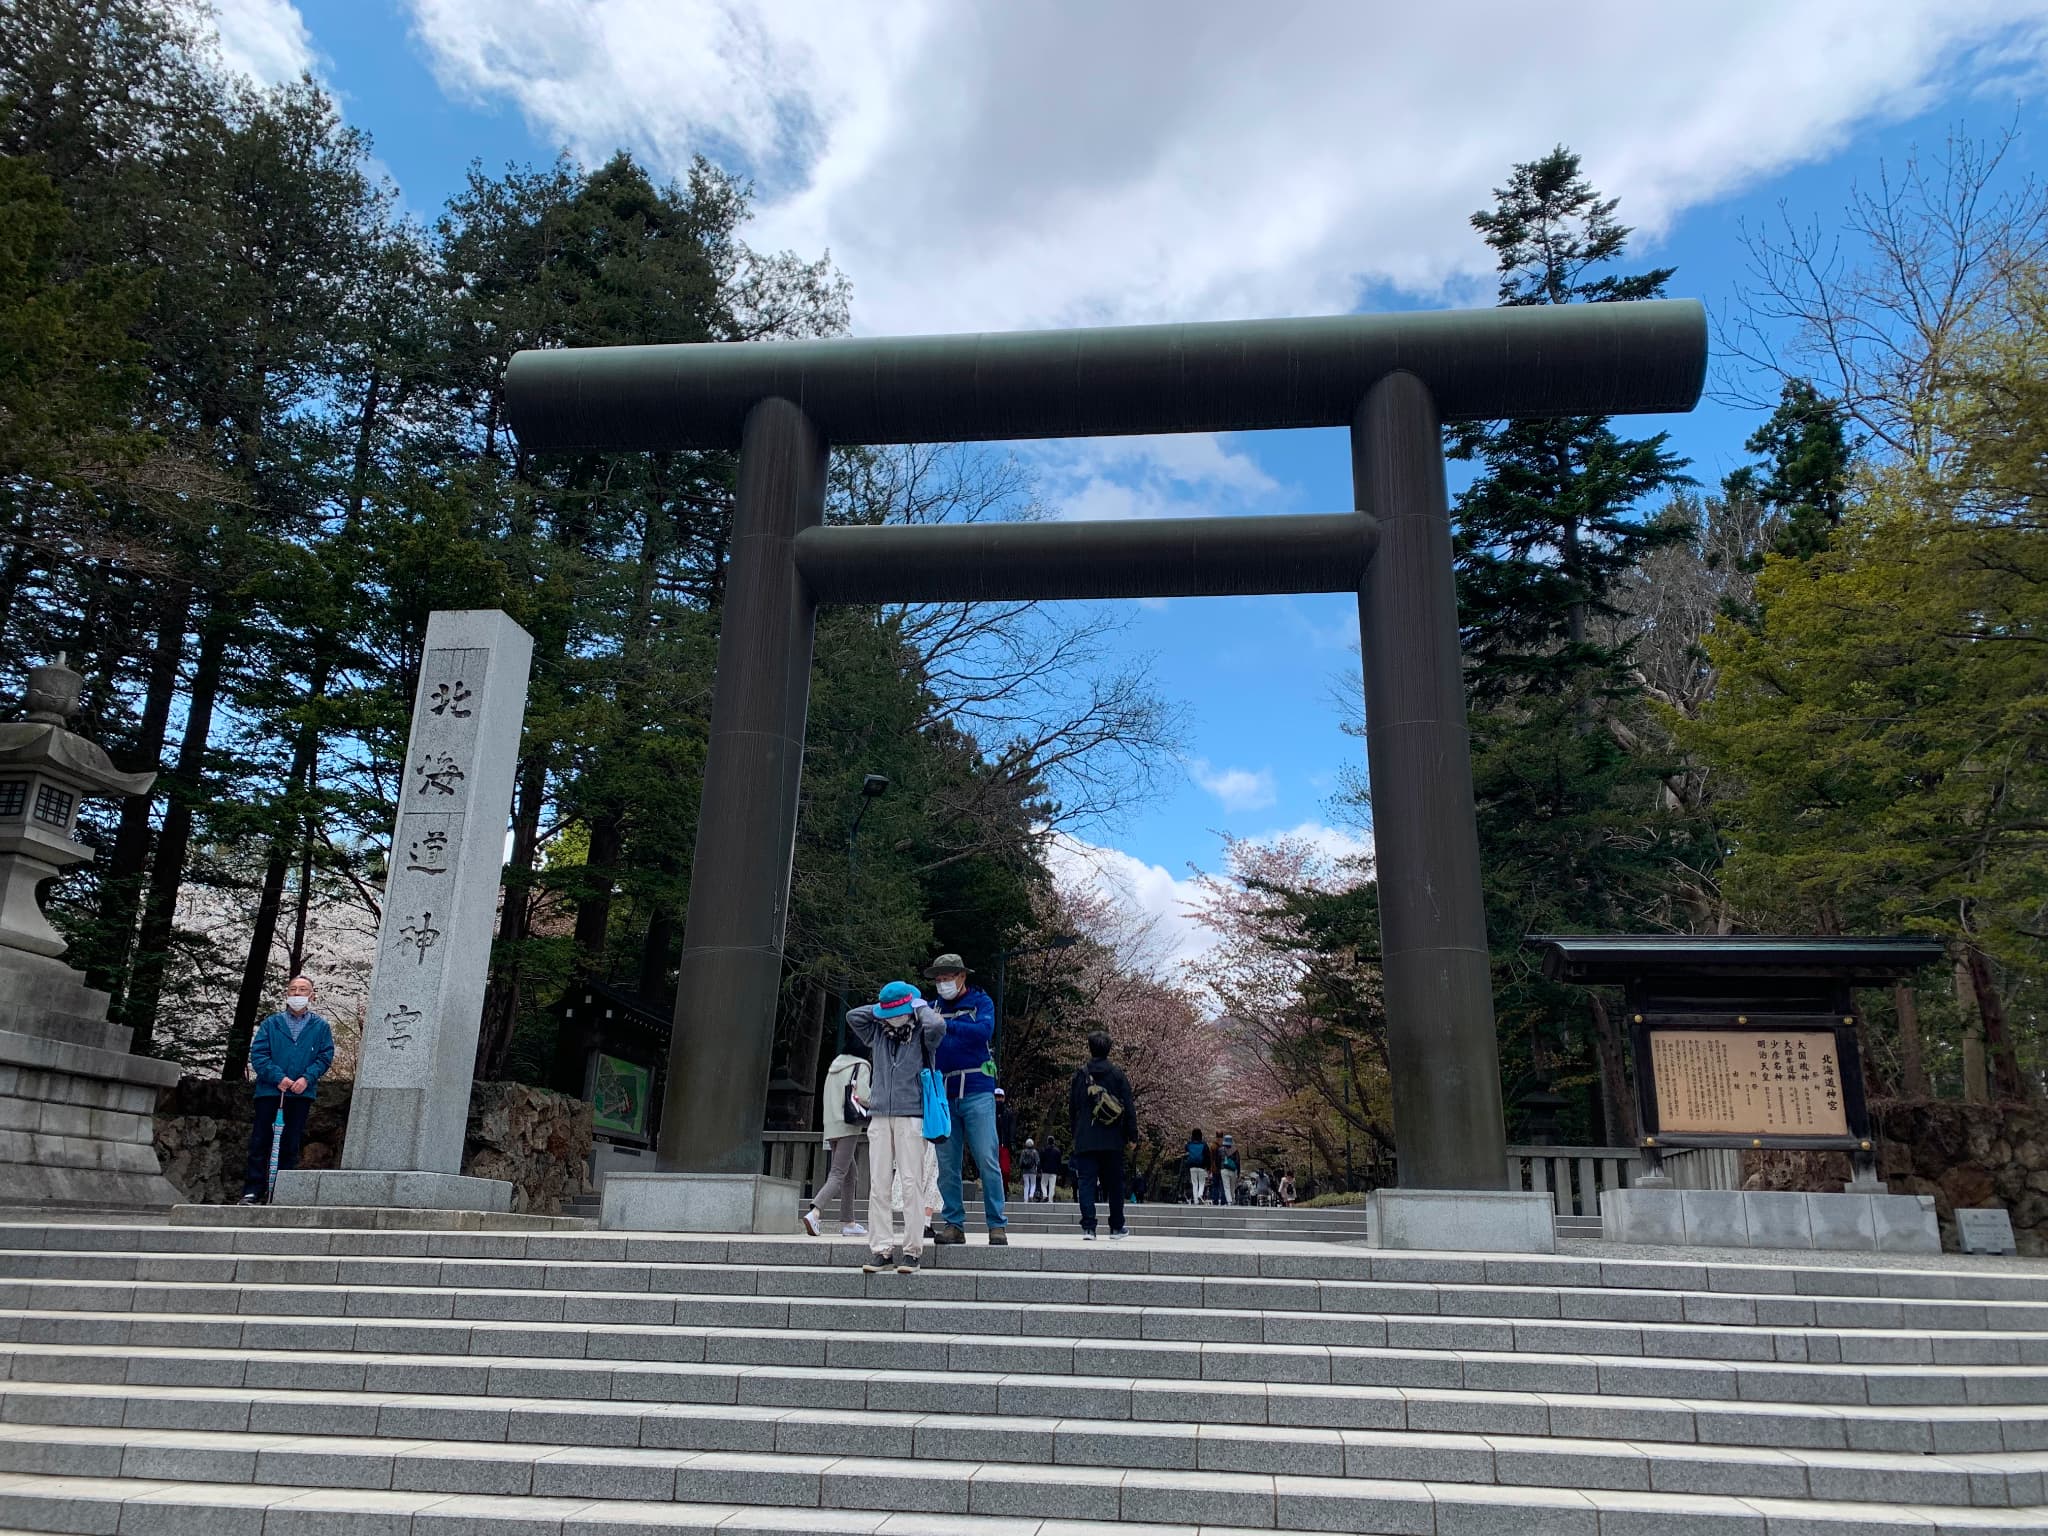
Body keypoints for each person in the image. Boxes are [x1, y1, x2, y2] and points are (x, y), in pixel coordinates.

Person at [845, 981, 947, 1274]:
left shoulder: (922, 1032)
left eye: (899, 1011)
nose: (894, 1017)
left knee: (912, 1182)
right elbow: (854, 1016)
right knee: (878, 1186)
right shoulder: (876, 1030)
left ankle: (912, 1251)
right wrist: (883, 1007)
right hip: (879, 1114)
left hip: (912, 1113)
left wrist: (919, 1006)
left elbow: (938, 1026)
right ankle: (881, 1249)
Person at [925, 953, 1008, 1245]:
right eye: (939, 979)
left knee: (987, 1158)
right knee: (947, 1163)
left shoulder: (981, 1002)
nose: (943, 983)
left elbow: (983, 1031)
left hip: (977, 1088)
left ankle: (997, 1224)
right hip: (944, 1093)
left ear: (962, 977)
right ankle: (953, 1223)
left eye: (948, 977)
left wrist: (946, 1025)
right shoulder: (931, 1007)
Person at [239, 976, 336, 1204]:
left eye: (303, 990)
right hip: (270, 1092)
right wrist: (278, 1077)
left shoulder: (320, 1026)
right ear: (286, 994)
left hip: (301, 1094)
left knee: (291, 1142)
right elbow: (259, 1054)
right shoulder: (272, 1024)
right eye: (293, 989)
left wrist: (307, 1078)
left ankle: (281, 1190)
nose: (297, 994)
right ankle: (253, 1189)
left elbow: (325, 1056)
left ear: (312, 995)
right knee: (261, 1140)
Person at [1069, 1029, 1137, 1240]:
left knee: (1086, 1183)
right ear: (1109, 1049)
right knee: (1115, 1184)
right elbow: (1129, 1107)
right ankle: (1116, 1227)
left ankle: (1089, 1227)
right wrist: (1132, 1135)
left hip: (1086, 1138)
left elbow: (1073, 1108)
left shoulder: (1080, 1075)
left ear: (1090, 1048)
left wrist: (1076, 1133)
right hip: (1112, 1139)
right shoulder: (1117, 1075)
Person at [803, 1040, 871, 1238]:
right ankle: (815, 1211)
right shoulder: (861, 1066)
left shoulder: (835, 1065)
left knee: (850, 1174)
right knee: (838, 1173)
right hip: (848, 1124)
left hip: (831, 1124)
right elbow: (864, 1095)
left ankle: (849, 1222)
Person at [1184, 1128, 1209, 1204]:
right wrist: (1208, 1166)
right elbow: (1207, 1155)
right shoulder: (1204, 1144)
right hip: (1202, 1166)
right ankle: (1200, 1194)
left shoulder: (1189, 1144)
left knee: (1194, 1183)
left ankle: (1195, 1200)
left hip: (1192, 1166)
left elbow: (1185, 1149)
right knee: (1202, 1182)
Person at [1017, 1138, 1042, 1202]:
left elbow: (1020, 1162)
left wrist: (1021, 1168)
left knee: (1026, 1185)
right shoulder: (1035, 1152)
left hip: (1025, 1171)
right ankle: (1031, 1195)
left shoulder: (1023, 1152)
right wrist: (1038, 1170)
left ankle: (1025, 1199)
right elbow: (1038, 1162)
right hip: (1033, 1171)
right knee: (1033, 1184)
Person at [1040, 1137, 1063, 1201]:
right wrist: (1059, 1173)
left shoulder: (1043, 1150)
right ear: (1054, 1141)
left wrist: (1040, 1169)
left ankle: (1044, 1195)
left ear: (1047, 1141)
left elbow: (1041, 1161)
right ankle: (1050, 1200)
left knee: (1043, 1184)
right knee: (1052, 1186)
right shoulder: (1057, 1151)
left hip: (1045, 1170)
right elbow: (1059, 1163)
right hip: (1054, 1171)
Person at [1219, 1134, 1241, 1206]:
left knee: (1226, 1186)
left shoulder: (1221, 1150)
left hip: (1224, 1169)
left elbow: (1217, 1160)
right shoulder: (1235, 1150)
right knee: (1232, 1186)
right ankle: (1232, 1199)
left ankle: (1229, 1201)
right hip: (1233, 1170)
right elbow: (1238, 1162)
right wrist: (1238, 1172)